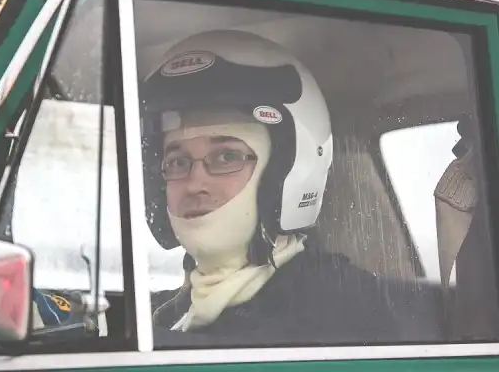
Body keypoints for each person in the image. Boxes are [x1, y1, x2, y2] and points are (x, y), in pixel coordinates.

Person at [139, 29, 444, 347]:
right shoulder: (167, 312)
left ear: (286, 173)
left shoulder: (342, 311)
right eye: (177, 162)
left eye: (226, 157)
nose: (194, 183)